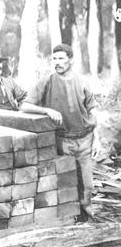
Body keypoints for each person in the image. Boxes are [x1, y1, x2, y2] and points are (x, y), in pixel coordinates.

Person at [24, 44, 96, 222]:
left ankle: (88, 221)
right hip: (63, 141)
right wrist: (47, 110)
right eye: (54, 59)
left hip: (85, 140)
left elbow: (92, 110)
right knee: (67, 183)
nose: (57, 62)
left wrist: (98, 139)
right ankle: (70, 222)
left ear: (71, 60)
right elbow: (25, 106)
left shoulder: (82, 81)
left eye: (61, 58)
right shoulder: (46, 81)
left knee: (87, 185)